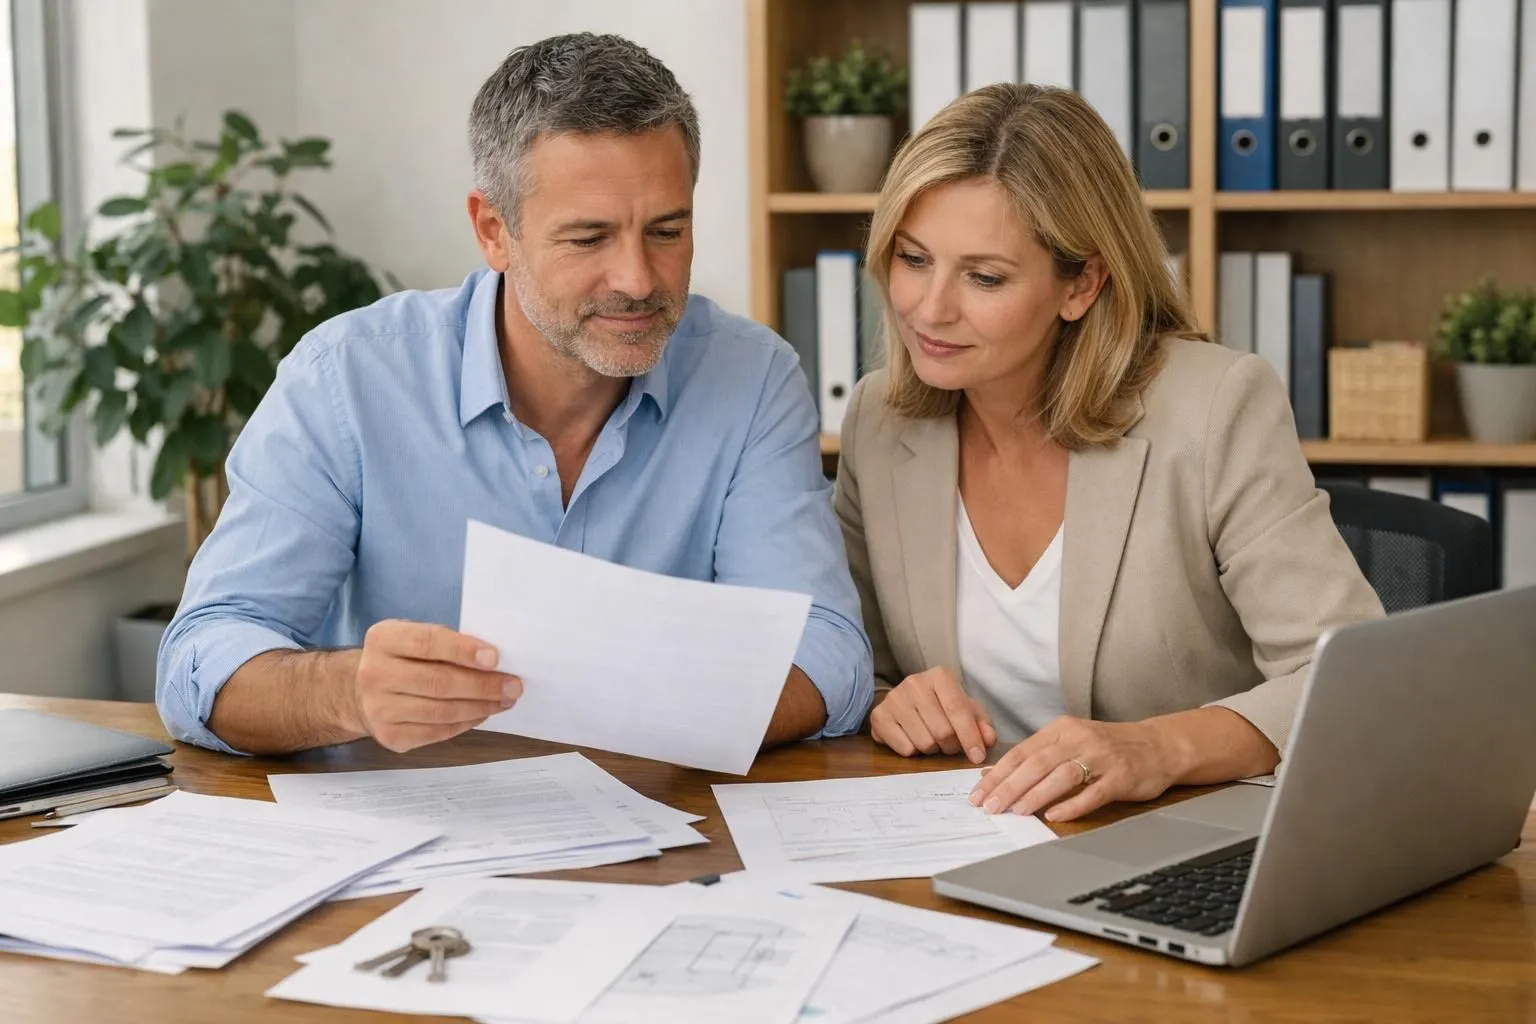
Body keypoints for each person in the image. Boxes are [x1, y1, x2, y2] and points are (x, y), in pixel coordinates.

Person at [157, 33, 872, 756]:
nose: (636, 278)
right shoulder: (345, 379)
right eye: (588, 238)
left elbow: (828, 654)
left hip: (668, 841)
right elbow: (203, 662)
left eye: (667, 230)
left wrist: (604, 705)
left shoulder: (751, 379)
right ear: (493, 231)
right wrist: (348, 692)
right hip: (403, 839)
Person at [834, 84, 1383, 823]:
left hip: (1178, 841)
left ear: (1081, 284)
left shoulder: (1215, 407)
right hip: (965, 845)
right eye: (913, 259)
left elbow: (1349, 677)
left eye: (984, 277)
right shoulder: (878, 420)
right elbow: (850, 661)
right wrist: (885, 703)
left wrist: (1156, 749)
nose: (930, 309)